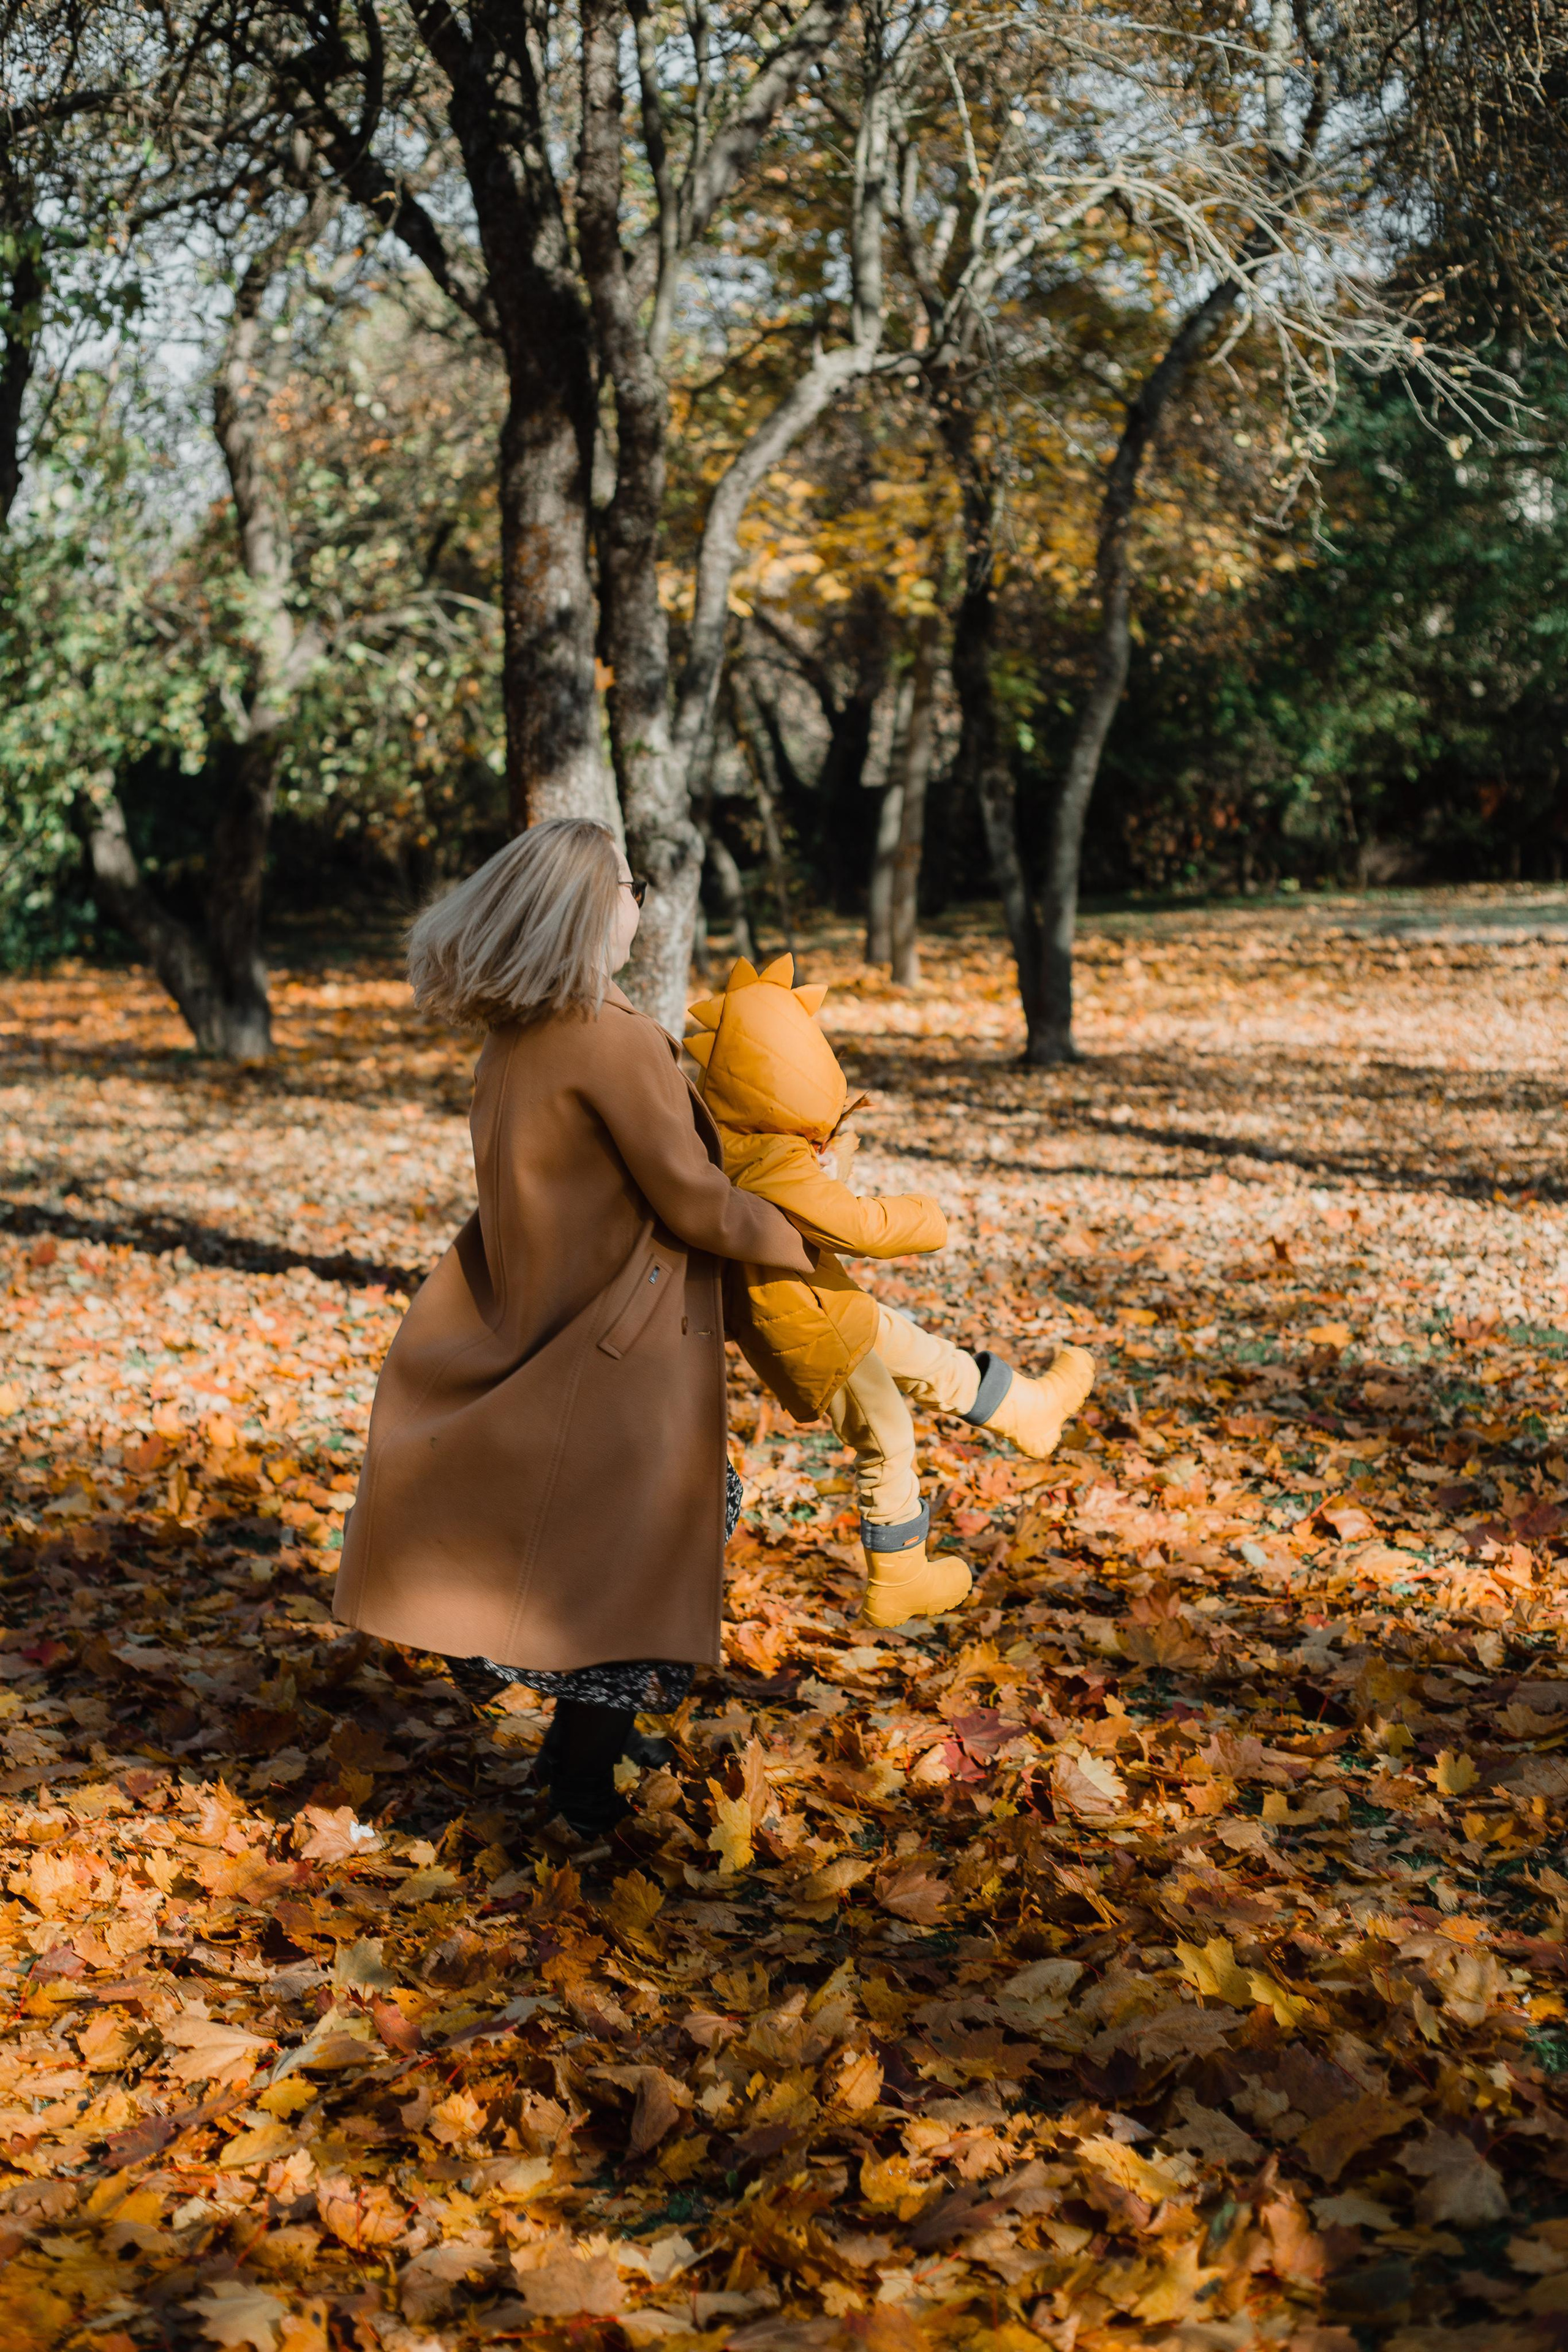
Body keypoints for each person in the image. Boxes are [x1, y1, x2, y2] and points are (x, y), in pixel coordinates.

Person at [333, 821, 815, 1839]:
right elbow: (691, 1198)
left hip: (558, 1312)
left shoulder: (520, 1036)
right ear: (596, 905)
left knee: (628, 1538)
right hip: (616, 1338)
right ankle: (580, 1779)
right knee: (649, 1542)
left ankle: (563, 1737)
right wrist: (804, 1239)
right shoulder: (611, 1034)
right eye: (630, 883)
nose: (642, 898)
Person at [684, 954, 1096, 1627]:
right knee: (888, 1435)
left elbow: (815, 1196)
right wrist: (923, 1215)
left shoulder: (745, 1142)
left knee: (930, 1358)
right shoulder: (772, 1159)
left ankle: (1028, 1409)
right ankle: (899, 1574)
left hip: (826, 1306)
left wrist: (831, 1153)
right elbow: (851, 1224)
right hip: (811, 1330)